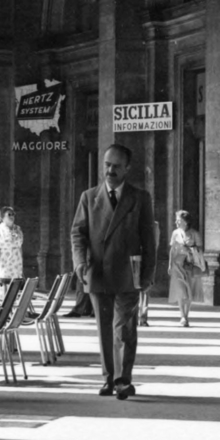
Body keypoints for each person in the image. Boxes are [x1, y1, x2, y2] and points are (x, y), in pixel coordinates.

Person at [70, 143, 156, 400]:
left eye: (116, 166)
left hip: (128, 273)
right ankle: (108, 379)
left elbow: (148, 240)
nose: (110, 170)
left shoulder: (140, 198)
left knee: (124, 328)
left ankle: (122, 380)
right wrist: (79, 263)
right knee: (104, 328)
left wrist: (148, 275)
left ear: (127, 168)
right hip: (96, 273)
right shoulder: (89, 197)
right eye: (107, 165)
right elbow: (78, 234)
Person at [166, 210, 202, 328]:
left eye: (179, 220)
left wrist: (191, 251)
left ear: (186, 222)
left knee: (188, 291)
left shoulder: (195, 234)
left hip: (190, 265)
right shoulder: (175, 233)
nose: (176, 222)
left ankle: (186, 315)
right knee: (180, 291)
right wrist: (170, 264)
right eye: (176, 220)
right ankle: (182, 315)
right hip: (177, 265)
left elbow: (200, 250)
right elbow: (172, 250)